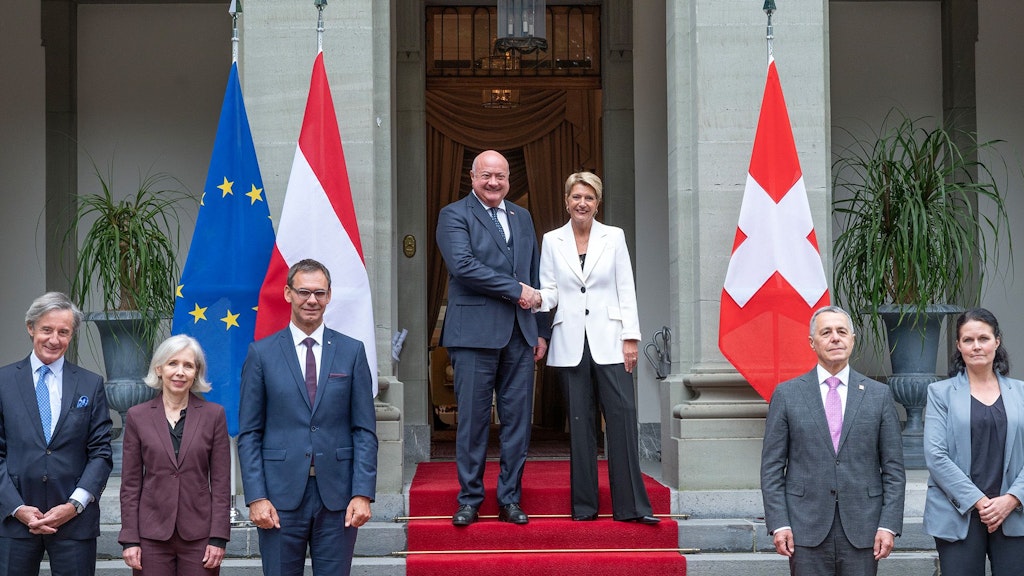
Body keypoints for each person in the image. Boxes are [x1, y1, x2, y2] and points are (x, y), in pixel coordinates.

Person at [237, 258, 378, 576]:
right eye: (303, 291)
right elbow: (249, 433)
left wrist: (362, 492)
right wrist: (256, 497)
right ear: (287, 294)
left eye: (319, 292)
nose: (311, 300)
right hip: (278, 498)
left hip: (338, 498)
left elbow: (364, 430)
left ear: (329, 296)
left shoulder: (352, 351)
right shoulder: (262, 354)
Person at [533, 171, 657, 524]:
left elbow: (626, 288)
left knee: (621, 418)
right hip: (570, 341)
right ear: (566, 201)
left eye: (588, 197)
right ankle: (584, 507)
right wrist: (535, 298)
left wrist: (630, 337)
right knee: (580, 424)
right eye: (576, 197)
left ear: (597, 203)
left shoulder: (613, 237)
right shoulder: (552, 240)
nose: (581, 203)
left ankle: (631, 507)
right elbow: (551, 290)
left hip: (611, 339)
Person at [435, 149, 549, 526]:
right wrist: (516, 290)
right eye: (486, 176)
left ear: (508, 180)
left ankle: (510, 499)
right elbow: (464, 267)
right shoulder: (453, 215)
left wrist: (541, 330)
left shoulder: (523, 216)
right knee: (472, 422)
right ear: (472, 177)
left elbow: (536, 275)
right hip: (473, 336)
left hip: (520, 335)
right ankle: (469, 499)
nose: (494, 182)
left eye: (500, 176)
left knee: (518, 423)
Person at [760, 305, 906, 576]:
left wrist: (888, 524)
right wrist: (779, 523)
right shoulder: (787, 395)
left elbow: (894, 469)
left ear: (852, 339)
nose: (835, 338)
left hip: (863, 527)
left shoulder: (879, 395)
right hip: (805, 527)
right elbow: (771, 468)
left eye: (841, 331)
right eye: (826, 332)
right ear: (812, 343)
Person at [0, 292, 113, 576]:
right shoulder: (3, 382)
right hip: (14, 521)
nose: (54, 339)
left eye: (63, 332)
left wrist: (74, 505)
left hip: (74, 522)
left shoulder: (90, 384)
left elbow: (100, 452)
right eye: (46, 330)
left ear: (72, 335)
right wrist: (17, 508)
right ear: (31, 328)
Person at [118, 334, 231, 575]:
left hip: (200, 535)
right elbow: (129, 484)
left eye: (188, 365)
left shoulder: (214, 415)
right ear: (159, 369)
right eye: (173, 364)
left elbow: (221, 483)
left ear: (196, 372)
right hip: (151, 535)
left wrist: (219, 536)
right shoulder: (137, 416)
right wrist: (130, 538)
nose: (180, 372)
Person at [924, 308, 1024, 575]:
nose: (976, 346)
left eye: (984, 338)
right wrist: (980, 501)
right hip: (958, 513)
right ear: (958, 345)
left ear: (997, 341)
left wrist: (1012, 498)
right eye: (968, 340)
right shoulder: (940, 393)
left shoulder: (1022, 392)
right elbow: (936, 455)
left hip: (1014, 512)